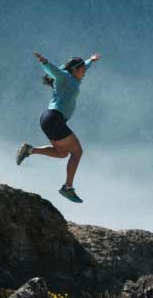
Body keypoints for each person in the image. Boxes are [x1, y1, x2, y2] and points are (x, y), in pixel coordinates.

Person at [14, 52, 102, 203]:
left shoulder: (74, 78)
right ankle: (68, 188)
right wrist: (45, 62)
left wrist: (90, 61)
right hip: (54, 118)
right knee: (77, 152)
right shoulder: (65, 78)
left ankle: (29, 150)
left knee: (62, 153)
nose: (84, 73)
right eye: (82, 70)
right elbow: (54, 71)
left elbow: (83, 66)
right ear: (74, 70)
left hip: (50, 120)